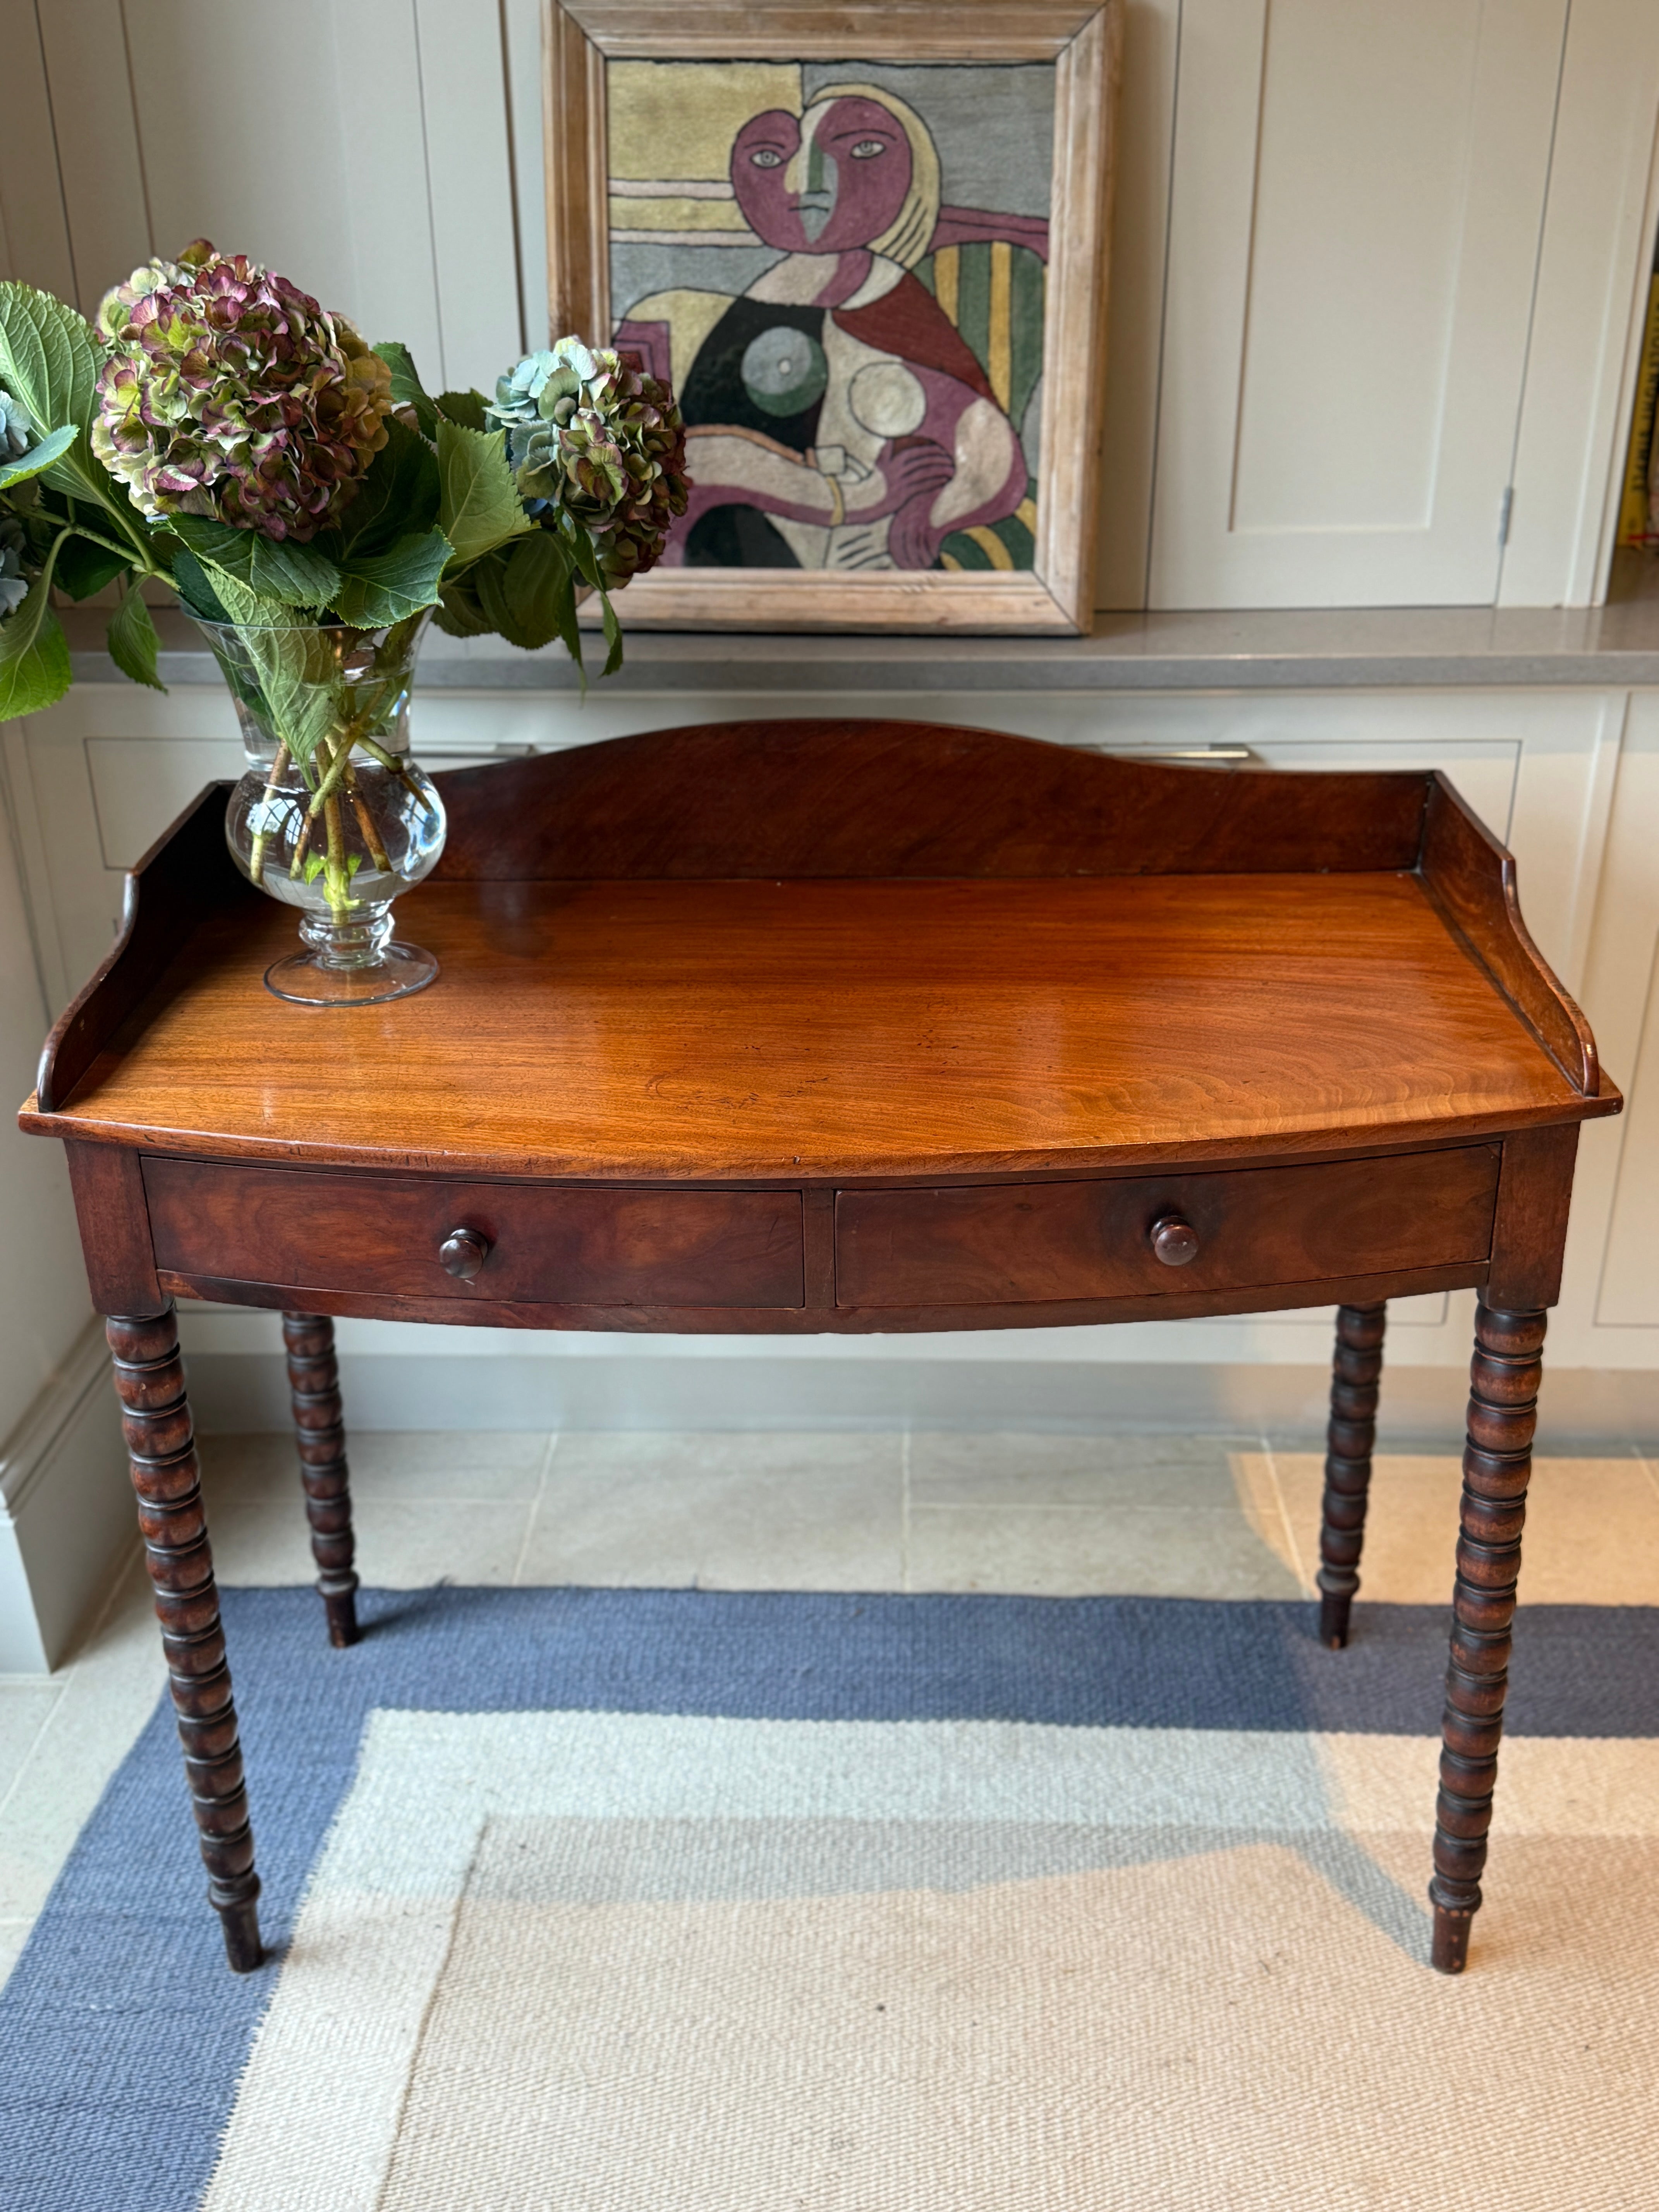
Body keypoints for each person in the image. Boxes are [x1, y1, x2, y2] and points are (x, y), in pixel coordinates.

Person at [615, 84, 1028, 571]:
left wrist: (932, 517)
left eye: (864, 151)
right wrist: (852, 496)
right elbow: (691, 462)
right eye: (770, 157)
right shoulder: (729, 310)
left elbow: (986, 445)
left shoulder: (890, 303)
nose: (807, 183)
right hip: (734, 546)